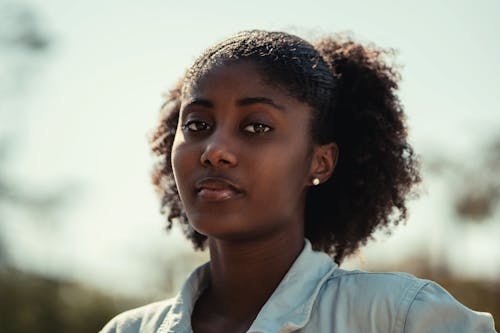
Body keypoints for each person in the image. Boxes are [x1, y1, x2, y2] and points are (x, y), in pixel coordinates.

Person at [100, 30, 496, 333]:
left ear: (319, 162)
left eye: (256, 126)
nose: (215, 150)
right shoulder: (128, 330)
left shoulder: (400, 317)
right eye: (198, 125)